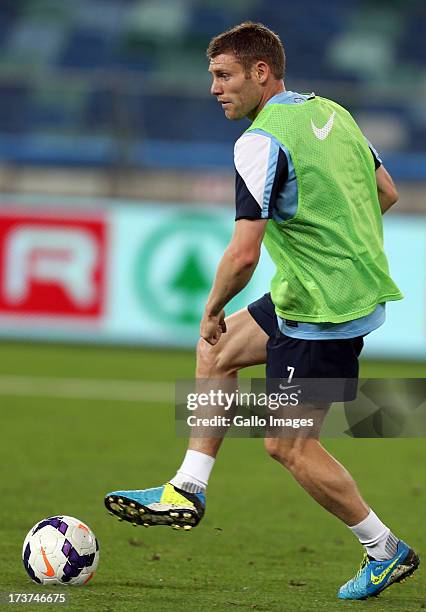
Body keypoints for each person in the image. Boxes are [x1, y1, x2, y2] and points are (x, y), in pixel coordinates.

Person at [105, 22, 419, 600]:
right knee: (218, 349)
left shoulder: (258, 141)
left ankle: (385, 549)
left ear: (260, 72)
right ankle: (188, 487)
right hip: (322, 288)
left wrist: (212, 305)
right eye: (211, 77)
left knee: (287, 444)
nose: (214, 89)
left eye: (224, 76)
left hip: (324, 309)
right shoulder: (335, 113)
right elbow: (387, 192)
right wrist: (336, 241)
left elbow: (244, 254)